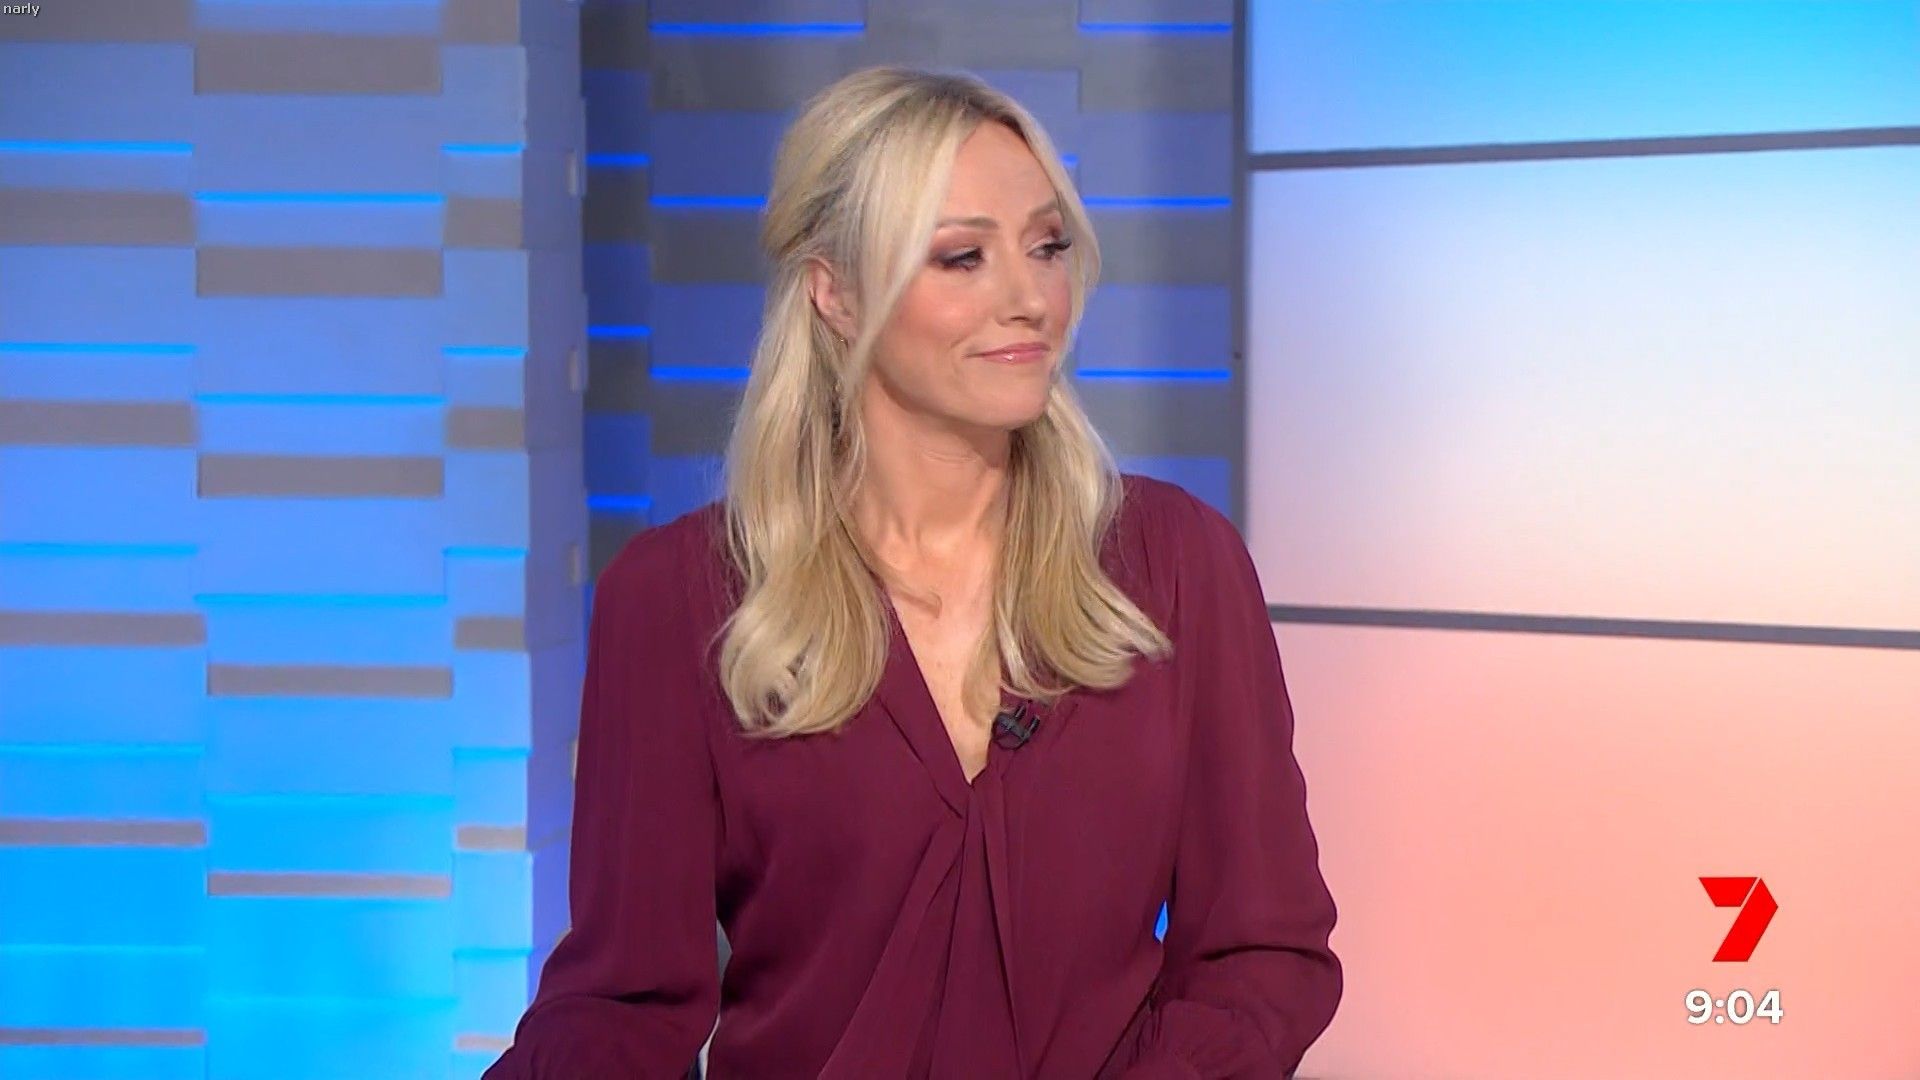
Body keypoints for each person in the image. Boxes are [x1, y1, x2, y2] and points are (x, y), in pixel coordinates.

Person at [483, 66, 1341, 1079]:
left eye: (1047, 246)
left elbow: (1261, 953)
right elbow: (625, 1003)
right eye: (963, 257)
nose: (1030, 299)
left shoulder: (1176, 564)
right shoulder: (678, 600)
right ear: (835, 292)